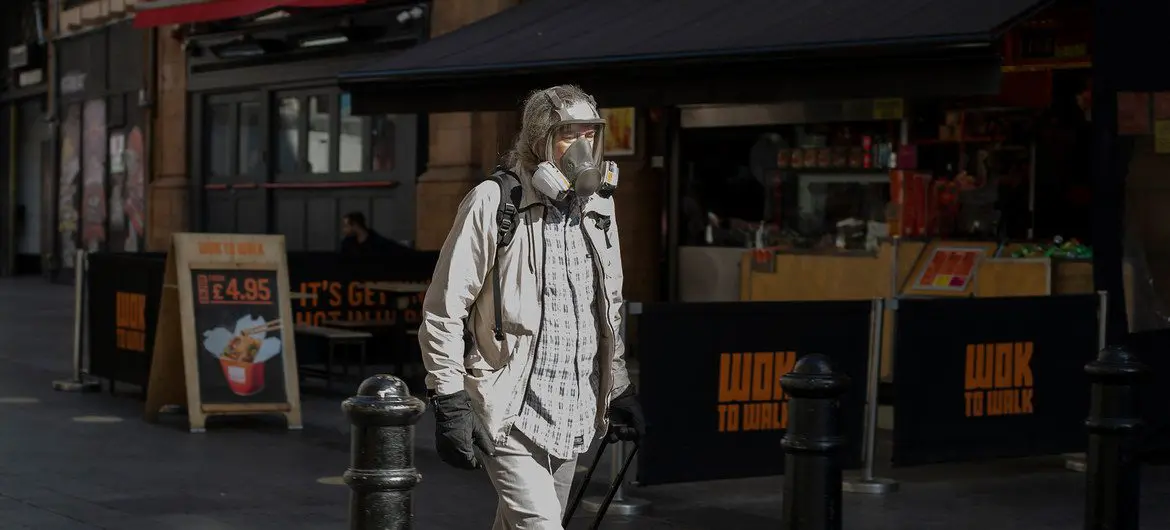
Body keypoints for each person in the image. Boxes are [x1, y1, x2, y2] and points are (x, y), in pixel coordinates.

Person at [419, 85, 645, 529]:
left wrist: (616, 386)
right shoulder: (494, 201)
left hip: (573, 409)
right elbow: (443, 309)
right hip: (509, 407)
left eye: (590, 134)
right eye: (567, 135)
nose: (582, 147)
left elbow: (609, 304)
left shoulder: (599, 206)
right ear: (539, 140)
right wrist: (449, 398)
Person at [339, 211, 409, 257]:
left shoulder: (379, 242)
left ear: (355, 225)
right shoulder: (347, 243)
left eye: (346, 226)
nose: (344, 229)